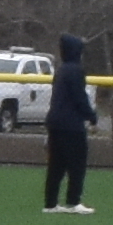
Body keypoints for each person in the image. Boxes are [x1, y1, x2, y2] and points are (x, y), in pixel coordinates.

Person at [41, 37, 102, 214]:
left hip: (55, 122)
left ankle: (50, 203)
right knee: (77, 163)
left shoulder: (61, 70)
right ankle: (74, 201)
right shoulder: (76, 70)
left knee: (56, 165)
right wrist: (91, 116)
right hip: (71, 125)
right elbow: (79, 97)